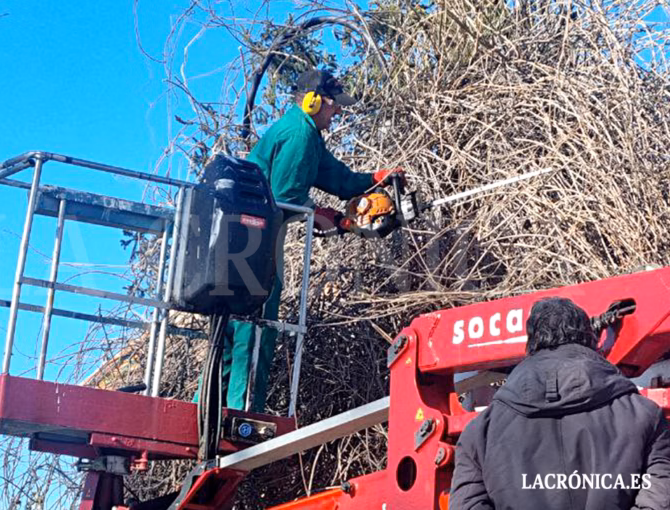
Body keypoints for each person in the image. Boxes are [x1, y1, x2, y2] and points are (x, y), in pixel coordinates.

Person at [219, 69, 405, 412]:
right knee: (255, 330)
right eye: (335, 105)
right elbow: (285, 198)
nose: (339, 111)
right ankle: (243, 416)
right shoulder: (299, 135)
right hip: (254, 243)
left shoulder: (307, 135)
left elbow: (339, 179)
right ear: (313, 101)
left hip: (241, 240)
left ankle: (207, 414)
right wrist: (333, 218)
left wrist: (376, 179)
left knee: (229, 336)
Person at [449, 297, 670, 510]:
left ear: (530, 345)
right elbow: (660, 497)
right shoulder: (644, 416)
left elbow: (467, 504)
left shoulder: (480, 433)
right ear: (590, 340)